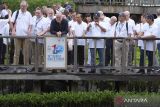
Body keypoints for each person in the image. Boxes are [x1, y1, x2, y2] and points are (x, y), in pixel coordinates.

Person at [11, 0, 32, 65]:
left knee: (26, 52)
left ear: (27, 6)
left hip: (26, 36)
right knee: (16, 52)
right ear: (20, 6)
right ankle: (15, 66)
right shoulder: (16, 12)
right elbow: (11, 22)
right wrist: (13, 31)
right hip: (17, 35)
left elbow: (30, 24)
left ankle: (26, 67)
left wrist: (29, 31)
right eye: (22, 6)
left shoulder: (29, 14)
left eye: (24, 6)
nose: (23, 7)